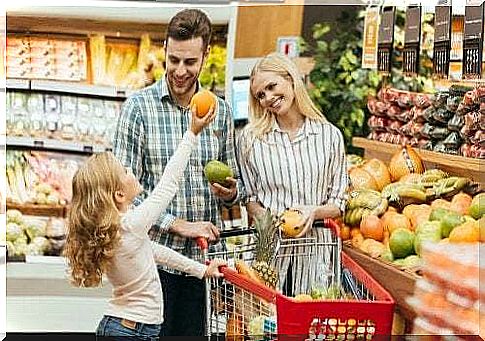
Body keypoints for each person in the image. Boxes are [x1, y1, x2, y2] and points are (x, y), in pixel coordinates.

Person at [112, 8, 239, 336]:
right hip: (151, 265)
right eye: (174, 60)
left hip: (205, 263)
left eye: (190, 62)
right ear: (165, 50)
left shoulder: (220, 111)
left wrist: (229, 193)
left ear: (206, 55)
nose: (180, 71)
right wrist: (177, 225)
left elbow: (232, 183)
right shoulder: (139, 109)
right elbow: (121, 198)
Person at [64, 105, 226, 340]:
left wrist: (202, 270)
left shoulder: (120, 230)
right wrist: (192, 133)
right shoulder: (130, 224)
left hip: (126, 327)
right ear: (118, 195)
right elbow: (168, 185)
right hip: (131, 331)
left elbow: (156, 253)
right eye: (126, 172)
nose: (131, 170)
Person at [236, 52, 348, 295]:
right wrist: (269, 220)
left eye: (272, 86)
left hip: (315, 256)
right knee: (266, 329)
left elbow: (340, 203)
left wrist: (313, 211)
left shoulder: (329, 136)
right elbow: (250, 198)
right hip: (270, 259)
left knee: (309, 328)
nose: (268, 98)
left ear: (290, 79)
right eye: (260, 95)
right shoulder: (251, 140)